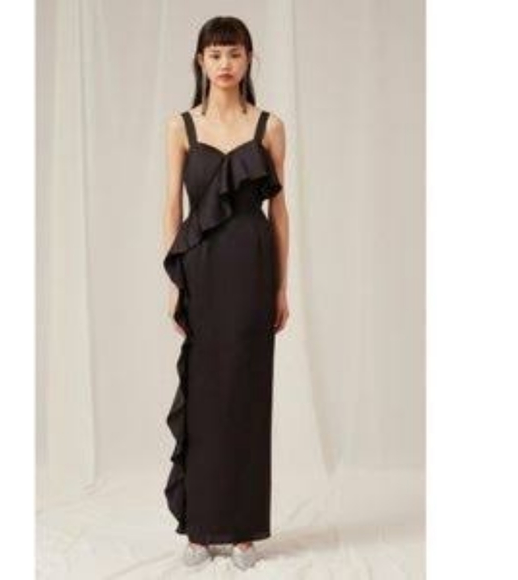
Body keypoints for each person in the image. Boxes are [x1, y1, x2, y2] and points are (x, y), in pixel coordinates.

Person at [162, 15, 290, 570]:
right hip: (202, 270)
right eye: (215, 54)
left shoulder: (270, 126)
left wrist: (282, 286)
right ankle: (200, 528)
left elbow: (279, 212)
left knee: (247, 396)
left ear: (249, 59)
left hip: (254, 269)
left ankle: (242, 532)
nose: (225, 64)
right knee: (206, 394)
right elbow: (172, 206)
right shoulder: (180, 127)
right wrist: (174, 283)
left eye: (234, 53)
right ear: (200, 61)